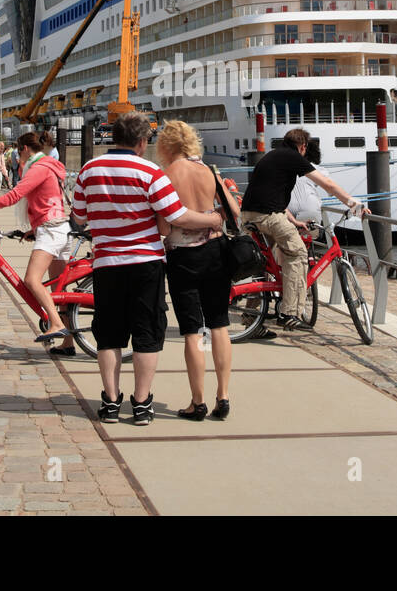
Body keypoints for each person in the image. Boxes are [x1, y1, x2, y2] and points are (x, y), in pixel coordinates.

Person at [70, 112, 224, 426]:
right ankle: (141, 404)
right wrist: (211, 220)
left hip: (106, 264)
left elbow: (79, 216)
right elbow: (176, 216)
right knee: (147, 333)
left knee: (109, 334)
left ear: (114, 137)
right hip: (145, 263)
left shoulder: (88, 170)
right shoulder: (151, 172)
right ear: (142, 142)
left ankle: (110, 402)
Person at [239, 128, 368, 330]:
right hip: (266, 216)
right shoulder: (293, 157)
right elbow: (327, 184)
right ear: (303, 146)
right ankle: (289, 313)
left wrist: (293, 221)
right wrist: (354, 205)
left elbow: (273, 196)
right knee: (298, 254)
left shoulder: (273, 156)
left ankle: (251, 319)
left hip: (250, 214)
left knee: (263, 265)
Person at [156, 120, 239, 421]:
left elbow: (165, 226)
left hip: (183, 258)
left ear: (165, 145)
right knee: (219, 324)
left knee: (192, 330)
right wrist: (209, 217)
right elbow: (234, 212)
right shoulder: (209, 170)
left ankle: (197, 402)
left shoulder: (165, 176)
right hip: (216, 253)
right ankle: (224, 395)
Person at [0, 132, 75, 349]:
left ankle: (55, 323)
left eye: (18, 151)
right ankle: (68, 342)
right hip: (60, 227)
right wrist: (33, 229)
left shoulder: (38, 168)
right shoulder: (51, 165)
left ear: (25, 148)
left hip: (51, 230)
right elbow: (48, 200)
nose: (18, 156)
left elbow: (13, 196)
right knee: (57, 292)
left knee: (32, 280)